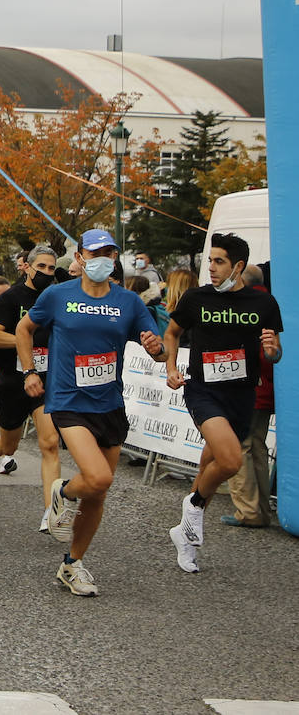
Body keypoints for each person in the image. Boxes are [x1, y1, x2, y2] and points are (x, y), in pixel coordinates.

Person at [18, 229, 165, 596]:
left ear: (115, 258)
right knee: (98, 478)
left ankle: (72, 564)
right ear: (80, 257)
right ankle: (63, 492)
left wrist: (155, 346)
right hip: (69, 402)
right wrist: (29, 372)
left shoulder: (129, 302)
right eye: (94, 252)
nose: (102, 258)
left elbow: (159, 351)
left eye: (108, 252)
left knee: (97, 495)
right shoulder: (57, 295)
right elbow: (24, 329)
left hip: (110, 403)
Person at [164, 234, 282, 572]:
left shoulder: (264, 304)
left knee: (208, 467)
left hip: (243, 395)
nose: (210, 269)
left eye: (219, 262)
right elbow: (171, 333)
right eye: (209, 261)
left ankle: (185, 539)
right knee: (230, 461)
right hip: (203, 391)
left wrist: (273, 350)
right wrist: (171, 368)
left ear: (239, 266)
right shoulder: (195, 298)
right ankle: (194, 507)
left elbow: (275, 351)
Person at [0, 246, 63, 532]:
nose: (47, 273)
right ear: (27, 267)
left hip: (46, 377)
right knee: (10, 443)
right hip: (14, 378)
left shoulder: (58, 298)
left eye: (51, 268)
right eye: (42, 267)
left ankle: (51, 511)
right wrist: (26, 343)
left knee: (49, 442)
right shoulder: (11, 298)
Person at [223, 265, 276, 528]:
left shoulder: (245, 306)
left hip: (246, 388)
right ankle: (262, 509)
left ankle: (247, 510)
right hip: (266, 389)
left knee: (240, 448)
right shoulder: (271, 303)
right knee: (257, 447)